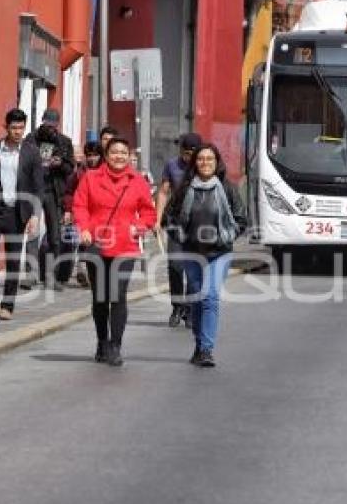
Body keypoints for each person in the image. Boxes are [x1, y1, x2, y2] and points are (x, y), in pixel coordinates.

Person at [73, 137, 156, 366]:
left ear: (129, 156)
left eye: (123, 152)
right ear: (106, 156)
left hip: (124, 246)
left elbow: (149, 214)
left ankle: (115, 345)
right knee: (100, 297)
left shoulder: (137, 181)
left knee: (117, 295)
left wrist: (137, 228)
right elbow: (80, 206)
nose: (119, 156)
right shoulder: (90, 178)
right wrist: (84, 229)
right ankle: (101, 341)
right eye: (114, 152)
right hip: (96, 244)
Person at [172, 144, 246, 367]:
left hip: (219, 252)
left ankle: (206, 350)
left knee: (211, 296)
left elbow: (241, 219)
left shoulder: (228, 189)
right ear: (195, 162)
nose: (205, 163)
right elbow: (169, 218)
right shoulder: (185, 189)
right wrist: (181, 236)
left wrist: (227, 236)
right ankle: (198, 343)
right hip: (192, 252)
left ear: (217, 163)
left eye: (210, 159)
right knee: (196, 296)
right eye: (201, 159)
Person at [0, 108, 44, 320]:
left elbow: (38, 186)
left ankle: (7, 305)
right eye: (14, 127)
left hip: (18, 212)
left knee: (13, 259)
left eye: (21, 127)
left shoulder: (31, 152)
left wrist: (34, 215)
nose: (17, 131)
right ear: (6, 127)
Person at [24, 108, 75, 291]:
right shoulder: (31, 139)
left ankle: (50, 276)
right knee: (32, 232)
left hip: (54, 192)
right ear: (42, 121)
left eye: (53, 126)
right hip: (35, 189)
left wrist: (60, 163)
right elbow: (23, 163)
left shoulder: (64, 142)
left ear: (57, 126)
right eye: (47, 125)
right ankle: (31, 273)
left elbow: (71, 169)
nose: (50, 129)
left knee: (55, 235)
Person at [154, 132, 201, 328]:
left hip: (198, 224)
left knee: (192, 267)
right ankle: (177, 306)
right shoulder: (172, 166)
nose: (186, 156)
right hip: (174, 222)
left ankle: (190, 308)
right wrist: (157, 219)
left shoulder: (204, 165)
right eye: (184, 151)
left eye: (190, 153)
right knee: (175, 266)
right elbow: (164, 192)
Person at [59, 141, 103, 286]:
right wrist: (67, 209)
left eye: (95, 155)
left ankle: (91, 271)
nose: (92, 158)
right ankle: (82, 269)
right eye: (89, 155)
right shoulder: (79, 172)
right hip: (83, 212)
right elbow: (69, 192)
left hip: (101, 213)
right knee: (83, 241)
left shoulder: (106, 171)